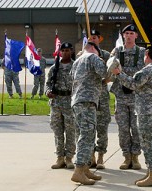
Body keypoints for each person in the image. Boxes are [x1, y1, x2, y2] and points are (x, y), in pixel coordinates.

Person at [112, 46, 152, 187]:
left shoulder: (147, 70)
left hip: (147, 111)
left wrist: (119, 73)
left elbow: (133, 84)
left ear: (147, 55)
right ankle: (150, 172)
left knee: (149, 143)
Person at [70, 42, 107, 185]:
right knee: (86, 135)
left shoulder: (77, 61)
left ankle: (85, 168)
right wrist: (107, 64)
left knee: (85, 135)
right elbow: (103, 73)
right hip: (87, 101)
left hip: (78, 101)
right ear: (93, 49)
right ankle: (78, 170)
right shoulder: (93, 57)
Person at [110, 24, 145, 170]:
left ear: (136, 36)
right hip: (121, 95)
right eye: (127, 33)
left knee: (136, 128)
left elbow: (141, 71)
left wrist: (121, 71)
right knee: (123, 129)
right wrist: (119, 71)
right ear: (123, 35)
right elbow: (110, 67)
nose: (129, 36)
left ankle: (136, 157)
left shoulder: (142, 52)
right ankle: (126, 157)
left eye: (132, 33)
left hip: (136, 96)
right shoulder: (117, 51)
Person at [46, 42, 75, 170]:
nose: (65, 53)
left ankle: (69, 158)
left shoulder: (75, 66)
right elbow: (48, 83)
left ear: (71, 51)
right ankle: (60, 158)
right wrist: (48, 92)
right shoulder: (54, 68)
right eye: (63, 51)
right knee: (57, 131)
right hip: (56, 101)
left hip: (70, 101)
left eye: (67, 50)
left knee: (70, 131)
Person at [88, 29, 111, 169]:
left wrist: (104, 79)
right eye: (90, 37)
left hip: (102, 97)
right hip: (88, 98)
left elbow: (111, 73)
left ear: (99, 39)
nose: (92, 39)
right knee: (88, 128)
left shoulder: (106, 55)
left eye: (95, 37)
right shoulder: (82, 56)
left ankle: (101, 156)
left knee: (102, 128)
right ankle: (91, 157)